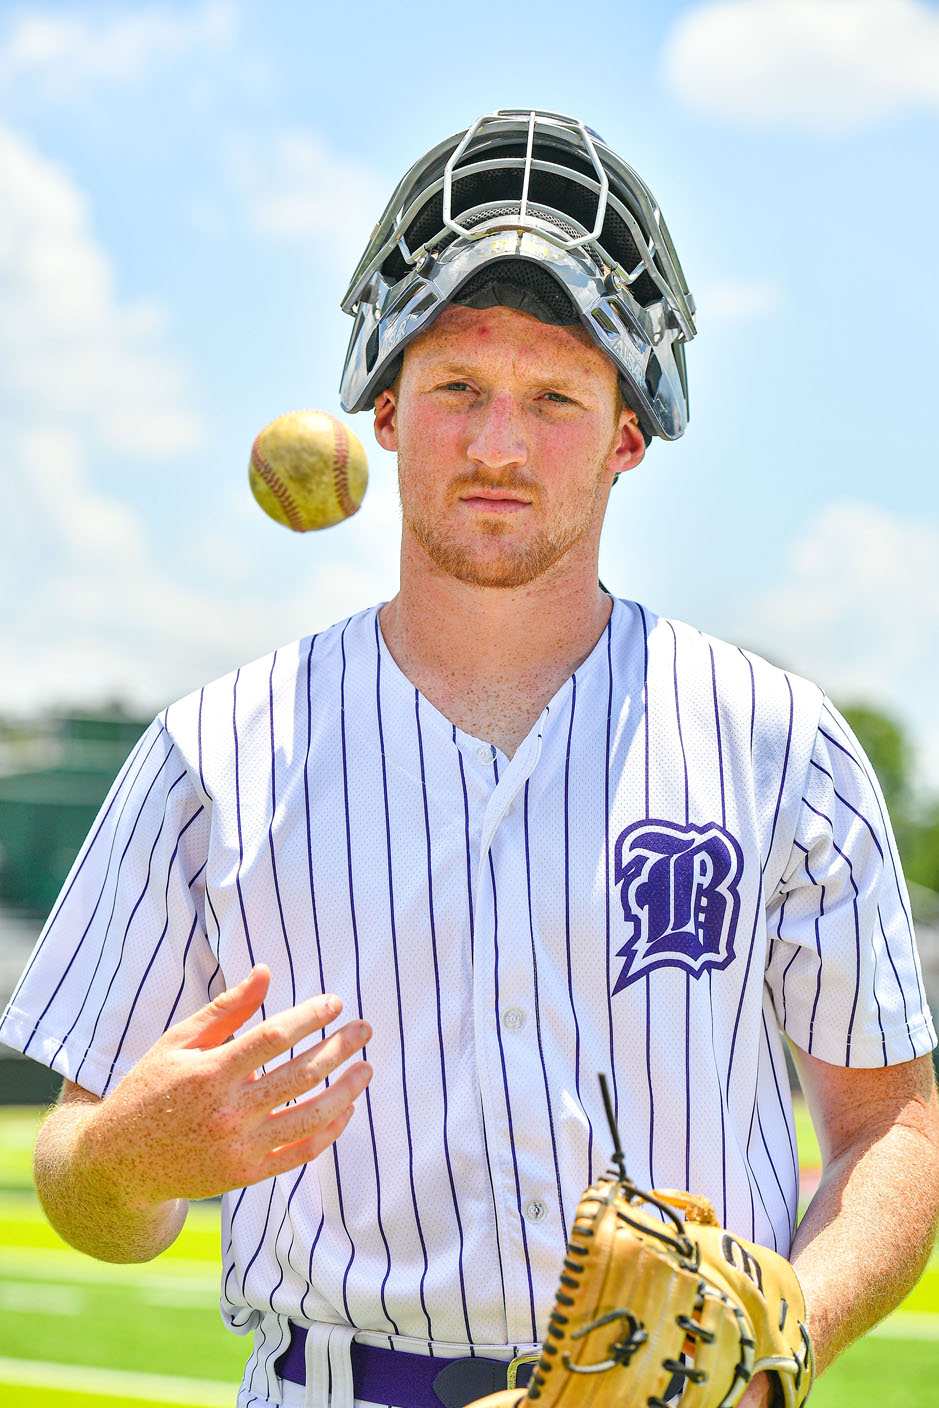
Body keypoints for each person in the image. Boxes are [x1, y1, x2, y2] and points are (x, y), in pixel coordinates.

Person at [2, 109, 938, 1408]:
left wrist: (773, 1352)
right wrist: (132, 1157)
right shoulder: (206, 753)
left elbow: (892, 1122)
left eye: (555, 398)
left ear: (627, 436)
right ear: (385, 412)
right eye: (457, 389)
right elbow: (78, 1180)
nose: (499, 446)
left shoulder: (782, 743)